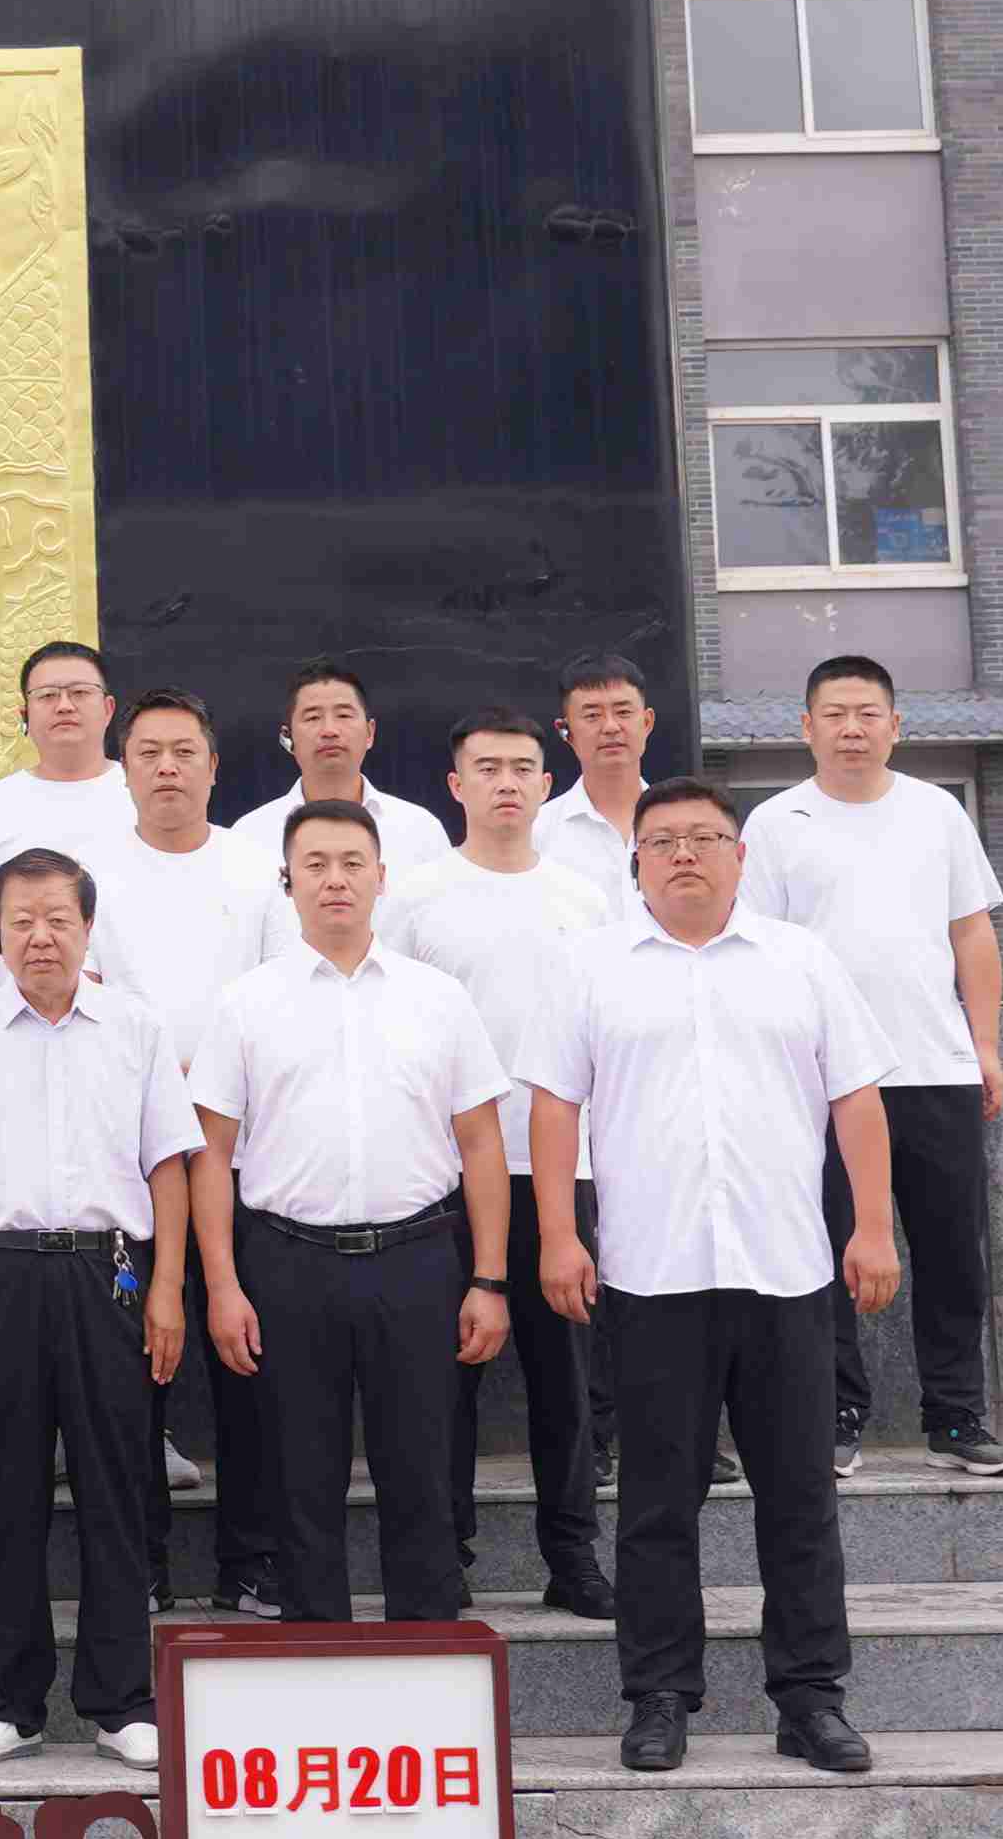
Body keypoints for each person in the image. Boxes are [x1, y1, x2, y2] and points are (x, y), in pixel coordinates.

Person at [537, 778, 903, 1777]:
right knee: (657, 1502)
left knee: (800, 1499)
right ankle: (659, 1695)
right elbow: (554, 1106)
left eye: (705, 837)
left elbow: (857, 1098)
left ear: (741, 856)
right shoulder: (588, 964)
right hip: (652, 1275)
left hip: (786, 1269)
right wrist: (560, 1235)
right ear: (636, 862)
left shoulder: (801, 959)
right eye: (663, 840)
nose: (685, 854)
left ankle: (811, 1698)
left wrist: (873, 1226)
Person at [0, 848, 198, 1767]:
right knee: (7, 1491)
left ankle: (121, 1701)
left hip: (110, 1276)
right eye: (21, 920)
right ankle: (11, 1703)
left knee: (117, 1487)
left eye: (58, 919)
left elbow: (169, 1167)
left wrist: (167, 1290)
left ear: (87, 927)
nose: (40, 937)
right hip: (3, 1279)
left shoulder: (137, 1029)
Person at [189, 803, 509, 1624]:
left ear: (381, 877)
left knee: (424, 1470)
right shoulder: (244, 1003)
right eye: (317, 864)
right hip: (287, 1263)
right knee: (298, 1476)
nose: (336, 880)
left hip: (419, 1259)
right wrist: (222, 1285)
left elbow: (481, 1143)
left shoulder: (438, 998)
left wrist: (489, 1279)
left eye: (352, 863)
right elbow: (211, 1156)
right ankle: (314, 1650)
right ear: (288, 881)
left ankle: (428, 1650)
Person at [739, 654, 1003, 1481]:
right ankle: (835, 1413)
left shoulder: (937, 813)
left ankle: (956, 1415)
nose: (852, 729)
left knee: (953, 1251)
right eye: (834, 714)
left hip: (934, 1065)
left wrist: (985, 1044)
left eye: (868, 714)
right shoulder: (775, 824)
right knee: (824, 1250)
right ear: (807, 728)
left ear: (895, 726)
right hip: (820, 1081)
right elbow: (758, 953)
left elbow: (972, 934)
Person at [387, 711, 618, 1617]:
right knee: (443, 1379)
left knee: (566, 1380)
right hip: (444, 1178)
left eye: (524, 767)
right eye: (487, 768)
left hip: (560, 1172)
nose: (507, 783)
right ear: (457, 785)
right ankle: (446, 1553)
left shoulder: (586, 900)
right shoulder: (416, 897)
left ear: (547, 784)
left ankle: (573, 1556)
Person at [93, 687, 283, 1614]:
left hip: (245, 1153)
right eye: (148, 753)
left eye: (184, 752)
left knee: (248, 1364)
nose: (167, 768)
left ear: (213, 765)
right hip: (126, 1161)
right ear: (124, 768)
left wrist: (210, 1077)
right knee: (136, 1373)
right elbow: (83, 1005)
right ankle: (145, 1567)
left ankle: (252, 1561)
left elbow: (284, 999)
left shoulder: (255, 869)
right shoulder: (90, 875)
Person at [234, 662, 457, 896]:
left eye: (343, 715)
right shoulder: (249, 836)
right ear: (288, 737)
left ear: (370, 733)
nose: (329, 730)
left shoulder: (421, 831)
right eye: (313, 718)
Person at [0, 639, 127, 871]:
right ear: (25, 715)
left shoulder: (144, 793)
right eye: (47, 695)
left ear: (108, 709)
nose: (64, 706)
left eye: (80, 692)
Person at [531, 654, 663, 905]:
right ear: (565, 731)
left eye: (623, 712)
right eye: (592, 716)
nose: (611, 727)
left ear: (647, 722)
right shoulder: (537, 833)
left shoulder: (683, 827)